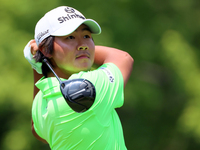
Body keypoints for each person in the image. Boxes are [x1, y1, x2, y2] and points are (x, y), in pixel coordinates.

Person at [24, 6, 133, 150]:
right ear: (46, 49)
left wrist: (38, 61)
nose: (83, 46)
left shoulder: (41, 101)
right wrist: (86, 51)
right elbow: (123, 58)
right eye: (70, 37)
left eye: (87, 36)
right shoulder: (89, 87)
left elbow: (37, 131)